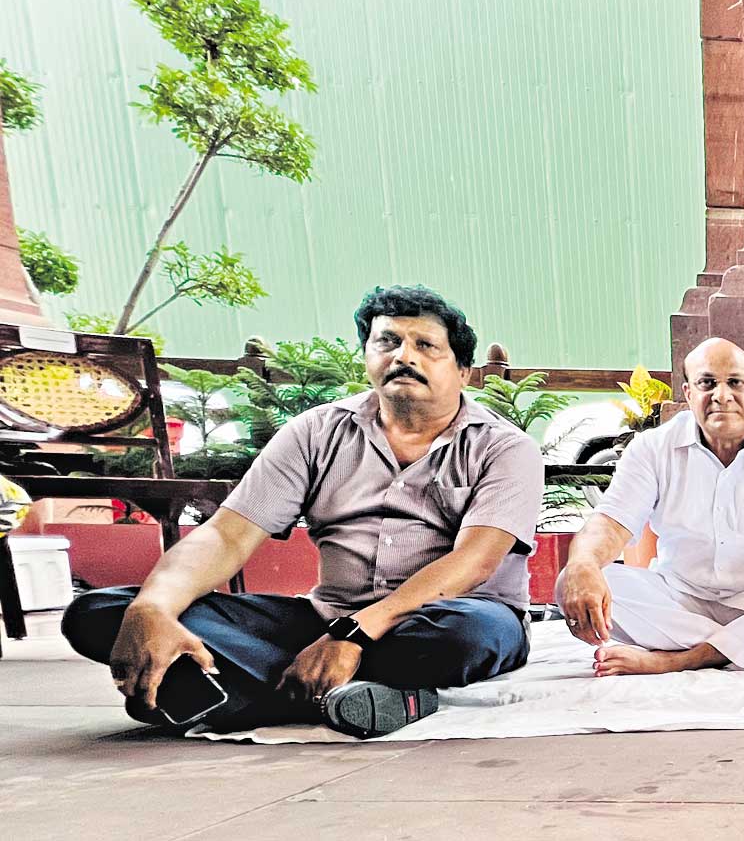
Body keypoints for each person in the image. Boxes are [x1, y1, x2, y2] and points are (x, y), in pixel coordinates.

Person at [62, 286, 543, 737]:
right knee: (102, 613)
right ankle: (350, 697)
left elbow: (474, 561)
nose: (403, 356)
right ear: (367, 357)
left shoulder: (503, 448)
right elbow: (227, 536)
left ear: (463, 371)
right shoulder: (315, 433)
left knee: (464, 638)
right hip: (325, 618)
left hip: (448, 616)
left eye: (426, 346)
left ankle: (241, 695)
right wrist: (153, 607)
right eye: (387, 342)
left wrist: (354, 636)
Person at [557, 338, 744, 674]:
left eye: (735, 382)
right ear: (689, 394)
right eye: (707, 383)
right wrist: (584, 563)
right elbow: (610, 523)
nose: (721, 395)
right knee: (571, 581)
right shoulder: (652, 449)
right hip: (681, 600)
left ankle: (687, 657)